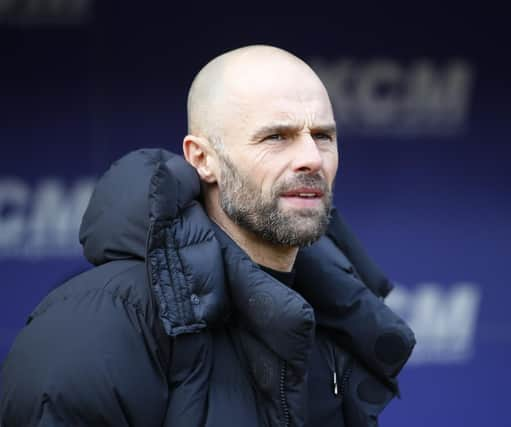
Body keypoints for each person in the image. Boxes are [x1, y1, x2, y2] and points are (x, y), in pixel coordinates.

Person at [0, 45, 415, 426]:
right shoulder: (100, 323)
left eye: (323, 136)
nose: (311, 158)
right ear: (202, 159)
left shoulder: (336, 316)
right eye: (276, 137)